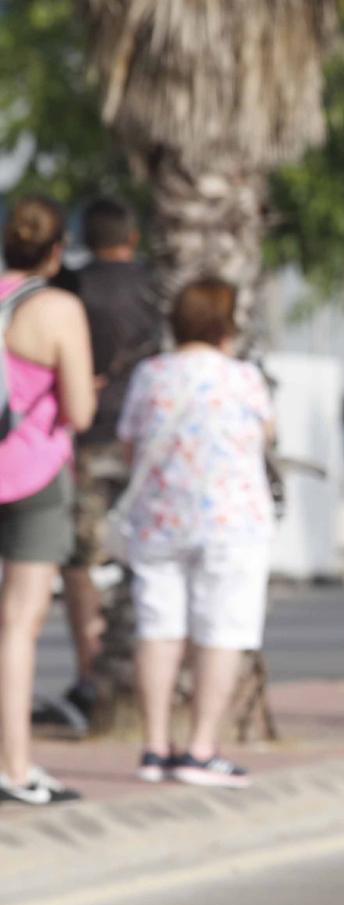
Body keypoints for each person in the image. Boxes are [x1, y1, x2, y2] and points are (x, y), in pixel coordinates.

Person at [116, 278, 276, 787]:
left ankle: (154, 747)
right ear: (225, 325)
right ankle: (201, 749)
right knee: (221, 631)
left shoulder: (150, 375)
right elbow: (266, 437)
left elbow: (129, 445)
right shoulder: (244, 378)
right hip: (231, 524)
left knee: (158, 628)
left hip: (159, 520)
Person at [38, 196, 160, 734]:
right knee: (147, 554)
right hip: (144, 441)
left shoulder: (69, 285)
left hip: (84, 437)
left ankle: (93, 674)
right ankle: (139, 667)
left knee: (81, 560)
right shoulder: (156, 286)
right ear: (132, 238)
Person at [0, 196, 95, 805]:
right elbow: (81, 409)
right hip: (33, 475)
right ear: (56, 251)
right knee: (19, 625)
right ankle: (14, 767)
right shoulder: (59, 308)